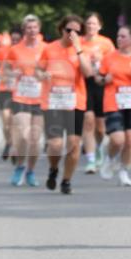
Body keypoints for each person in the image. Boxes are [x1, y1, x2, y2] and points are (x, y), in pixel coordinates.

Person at [37, 14, 92, 195]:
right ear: (62, 29)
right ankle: (53, 168)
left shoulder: (82, 50)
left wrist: (78, 49)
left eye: (77, 31)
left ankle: (66, 180)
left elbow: (88, 72)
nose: (72, 34)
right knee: (55, 145)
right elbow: (38, 69)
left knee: (74, 144)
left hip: (75, 102)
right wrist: (42, 75)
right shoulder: (50, 49)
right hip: (53, 101)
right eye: (69, 30)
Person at [98, 25, 131, 186]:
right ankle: (110, 158)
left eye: (123, 36)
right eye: (118, 36)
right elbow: (98, 79)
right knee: (118, 139)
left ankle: (124, 171)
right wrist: (103, 80)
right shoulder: (109, 58)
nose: (119, 39)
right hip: (113, 101)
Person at [6, 15, 46, 187]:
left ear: (39, 29)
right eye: (28, 28)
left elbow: (53, 69)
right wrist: (12, 74)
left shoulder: (46, 48)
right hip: (21, 96)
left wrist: (45, 76)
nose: (32, 31)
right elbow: (6, 69)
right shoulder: (15, 50)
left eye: (34, 27)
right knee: (23, 134)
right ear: (24, 30)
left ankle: (30, 170)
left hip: (40, 98)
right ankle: (20, 167)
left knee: (35, 140)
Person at [81, 12, 115, 173]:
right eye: (88, 24)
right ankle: (90, 160)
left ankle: (99, 147)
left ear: (99, 26)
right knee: (88, 120)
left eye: (94, 24)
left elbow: (115, 62)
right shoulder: (79, 43)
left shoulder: (106, 43)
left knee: (100, 127)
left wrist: (101, 61)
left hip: (101, 84)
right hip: (83, 83)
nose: (90, 27)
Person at [0, 25, 22, 160]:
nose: (15, 42)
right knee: (6, 119)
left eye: (18, 39)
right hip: (4, 89)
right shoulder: (2, 51)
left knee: (15, 120)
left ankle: (15, 147)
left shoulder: (24, 52)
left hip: (19, 91)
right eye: (13, 39)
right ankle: (8, 142)